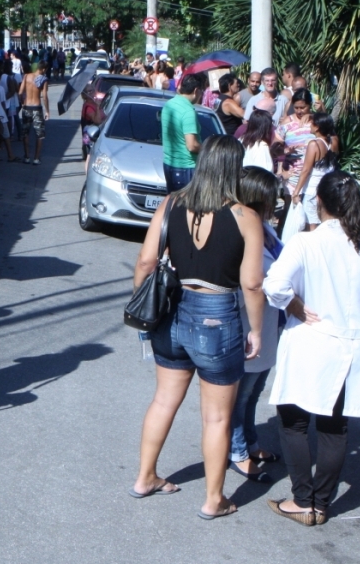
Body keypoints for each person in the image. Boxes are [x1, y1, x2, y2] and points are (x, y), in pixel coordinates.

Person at [131, 136, 265, 520]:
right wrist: (255, 329)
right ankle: (213, 499)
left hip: (170, 311)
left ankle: (144, 477)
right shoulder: (244, 216)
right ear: (234, 169)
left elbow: (145, 262)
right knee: (217, 417)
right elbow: (252, 283)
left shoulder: (171, 203)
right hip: (217, 315)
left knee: (163, 399)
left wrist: (143, 307)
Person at [264, 172, 360, 525]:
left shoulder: (307, 242)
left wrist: (291, 304)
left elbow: (274, 284)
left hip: (312, 341)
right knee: (335, 428)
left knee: (294, 423)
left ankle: (302, 499)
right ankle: (320, 502)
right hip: (353, 347)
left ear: (319, 202)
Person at [230, 167, 285, 483]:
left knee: (254, 391)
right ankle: (237, 452)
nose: (275, 205)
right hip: (248, 321)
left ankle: (250, 442)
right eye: (269, 199)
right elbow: (250, 281)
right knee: (242, 393)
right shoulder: (242, 232)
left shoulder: (266, 229)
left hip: (269, 322)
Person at [288, 111, 336, 232]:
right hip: (326, 188)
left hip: (312, 190)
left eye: (312, 123)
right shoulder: (333, 142)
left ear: (317, 127)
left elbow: (306, 170)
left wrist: (296, 191)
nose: (309, 125)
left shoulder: (314, 144)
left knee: (311, 225)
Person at [160, 74, 203, 193]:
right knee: (185, 208)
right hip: (186, 167)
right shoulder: (188, 111)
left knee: (173, 205)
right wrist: (208, 148)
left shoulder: (170, 104)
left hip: (169, 163)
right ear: (196, 90)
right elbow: (192, 145)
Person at [18, 61, 50, 165]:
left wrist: (22, 102)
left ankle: (27, 156)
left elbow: (20, 92)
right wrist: (47, 111)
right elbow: (44, 96)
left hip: (26, 106)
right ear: (44, 69)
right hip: (36, 107)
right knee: (39, 134)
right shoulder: (43, 79)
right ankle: (36, 158)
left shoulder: (26, 76)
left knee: (25, 133)